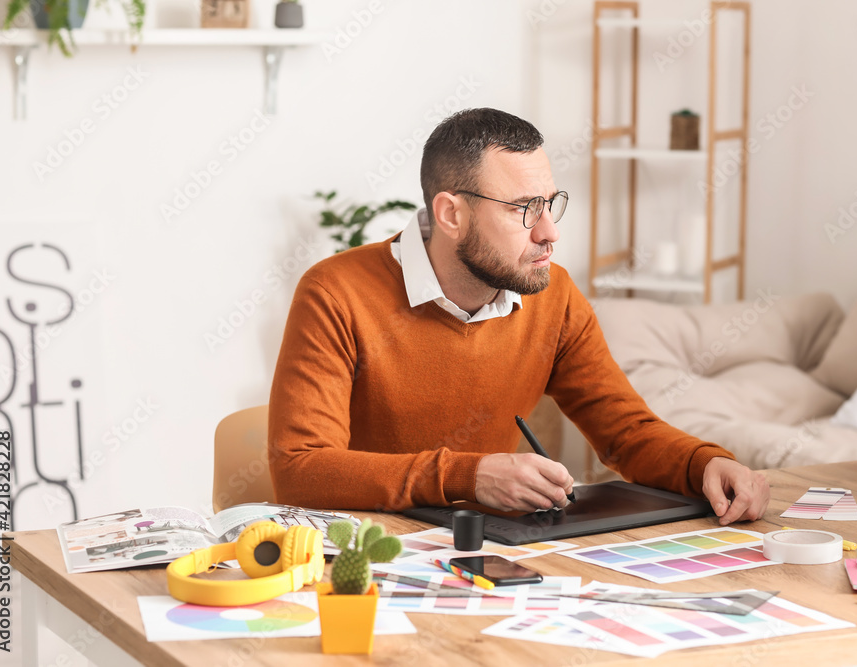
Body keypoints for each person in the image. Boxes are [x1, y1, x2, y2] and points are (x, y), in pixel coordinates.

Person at [268, 108, 769, 524]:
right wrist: (467, 476)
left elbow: (627, 432)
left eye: (550, 204)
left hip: (496, 553)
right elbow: (300, 469)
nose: (549, 232)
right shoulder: (335, 292)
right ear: (451, 215)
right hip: (371, 558)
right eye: (524, 209)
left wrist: (706, 462)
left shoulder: (554, 296)